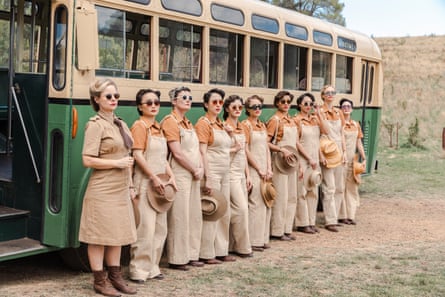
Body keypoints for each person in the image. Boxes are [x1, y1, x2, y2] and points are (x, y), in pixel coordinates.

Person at [79, 78, 137, 297]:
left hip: (121, 187)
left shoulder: (120, 123)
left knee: (117, 234)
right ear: (97, 100)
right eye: (108, 96)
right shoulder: (95, 125)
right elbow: (87, 159)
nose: (114, 100)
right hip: (102, 189)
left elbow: (127, 157)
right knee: (98, 236)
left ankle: (116, 277)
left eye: (116, 96)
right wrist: (116, 163)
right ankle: (99, 281)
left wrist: (131, 185)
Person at [129, 89, 177, 282]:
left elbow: (163, 158)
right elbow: (137, 155)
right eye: (148, 103)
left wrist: (171, 177)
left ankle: (153, 267)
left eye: (156, 102)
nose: (153, 106)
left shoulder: (158, 128)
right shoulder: (139, 127)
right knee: (145, 230)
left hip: (161, 185)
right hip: (145, 182)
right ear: (140, 106)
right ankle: (138, 270)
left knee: (160, 229)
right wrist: (153, 177)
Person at [161, 86, 204, 271]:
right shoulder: (170, 122)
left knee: (194, 215)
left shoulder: (188, 122)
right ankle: (178, 258)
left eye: (190, 97)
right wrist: (194, 168)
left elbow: (196, 150)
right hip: (180, 172)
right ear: (173, 101)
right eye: (184, 97)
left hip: (194, 173)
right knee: (180, 215)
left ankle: (192, 254)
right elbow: (177, 153)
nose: (188, 100)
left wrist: (200, 168)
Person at [195, 88, 236, 264]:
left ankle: (221, 249)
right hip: (212, 169)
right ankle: (206, 252)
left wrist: (230, 132)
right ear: (206, 104)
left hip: (225, 170)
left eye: (221, 102)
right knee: (210, 211)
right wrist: (208, 176)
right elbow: (202, 151)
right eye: (214, 102)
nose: (218, 105)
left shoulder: (221, 124)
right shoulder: (203, 124)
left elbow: (233, 147)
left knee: (223, 211)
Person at [266, 90, 300, 241]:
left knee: (292, 196)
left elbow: (296, 143)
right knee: (281, 196)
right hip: (280, 162)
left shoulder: (292, 120)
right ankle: (277, 230)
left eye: (288, 101)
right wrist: (281, 149)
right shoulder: (275, 120)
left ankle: (287, 228)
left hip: (291, 162)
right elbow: (266, 142)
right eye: (283, 102)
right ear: (277, 103)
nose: (286, 104)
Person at [241, 95, 273, 252]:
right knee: (255, 204)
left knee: (267, 201)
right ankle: (254, 240)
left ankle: (263, 237)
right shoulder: (245, 125)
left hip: (265, 170)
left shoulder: (262, 125)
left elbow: (266, 148)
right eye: (254, 107)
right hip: (253, 168)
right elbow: (245, 149)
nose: (258, 109)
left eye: (260, 106)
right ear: (247, 109)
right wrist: (258, 168)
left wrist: (268, 167)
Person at [223, 95, 253, 258]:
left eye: (240, 107)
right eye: (233, 107)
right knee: (240, 209)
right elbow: (220, 151)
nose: (237, 110)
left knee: (240, 210)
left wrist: (247, 175)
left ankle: (233, 245)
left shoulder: (242, 127)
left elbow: (244, 153)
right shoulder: (223, 127)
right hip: (230, 172)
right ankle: (243, 247)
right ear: (227, 109)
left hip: (241, 172)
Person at [294, 92, 325, 234]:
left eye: (310, 104)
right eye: (305, 103)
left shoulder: (314, 119)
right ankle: (302, 222)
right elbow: (296, 142)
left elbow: (325, 132)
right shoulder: (297, 120)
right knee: (302, 191)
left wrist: (318, 113)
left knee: (314, 190)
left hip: (314, 158)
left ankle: (311, 221)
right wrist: (308, 158)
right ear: (299, 105)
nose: (308, 106)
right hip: (303, 158)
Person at [318, 85, 347, 232]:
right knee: (329, 187)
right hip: (327, 150)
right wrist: (321, 155)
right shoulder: (320, 112)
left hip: (339, 151)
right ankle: (330, 221)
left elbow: (342, 133)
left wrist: (345, 152)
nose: (330, 95)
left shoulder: (338, 112)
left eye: (332, 92)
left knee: (339, 187)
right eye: (327, 93)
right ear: (322, 95)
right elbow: (321, 133)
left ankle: (334, 216)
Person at [339, 98, 366, 225]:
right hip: (340, 159)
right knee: (341, 186)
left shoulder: (355, 124)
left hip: (352, 160)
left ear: (352, 109)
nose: (346, 108)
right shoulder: (339, 124)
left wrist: (363, 157)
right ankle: (341, 215)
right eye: (344, 106)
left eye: (348, 106)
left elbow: (358, 142)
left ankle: (350, 215)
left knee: (352, 187)